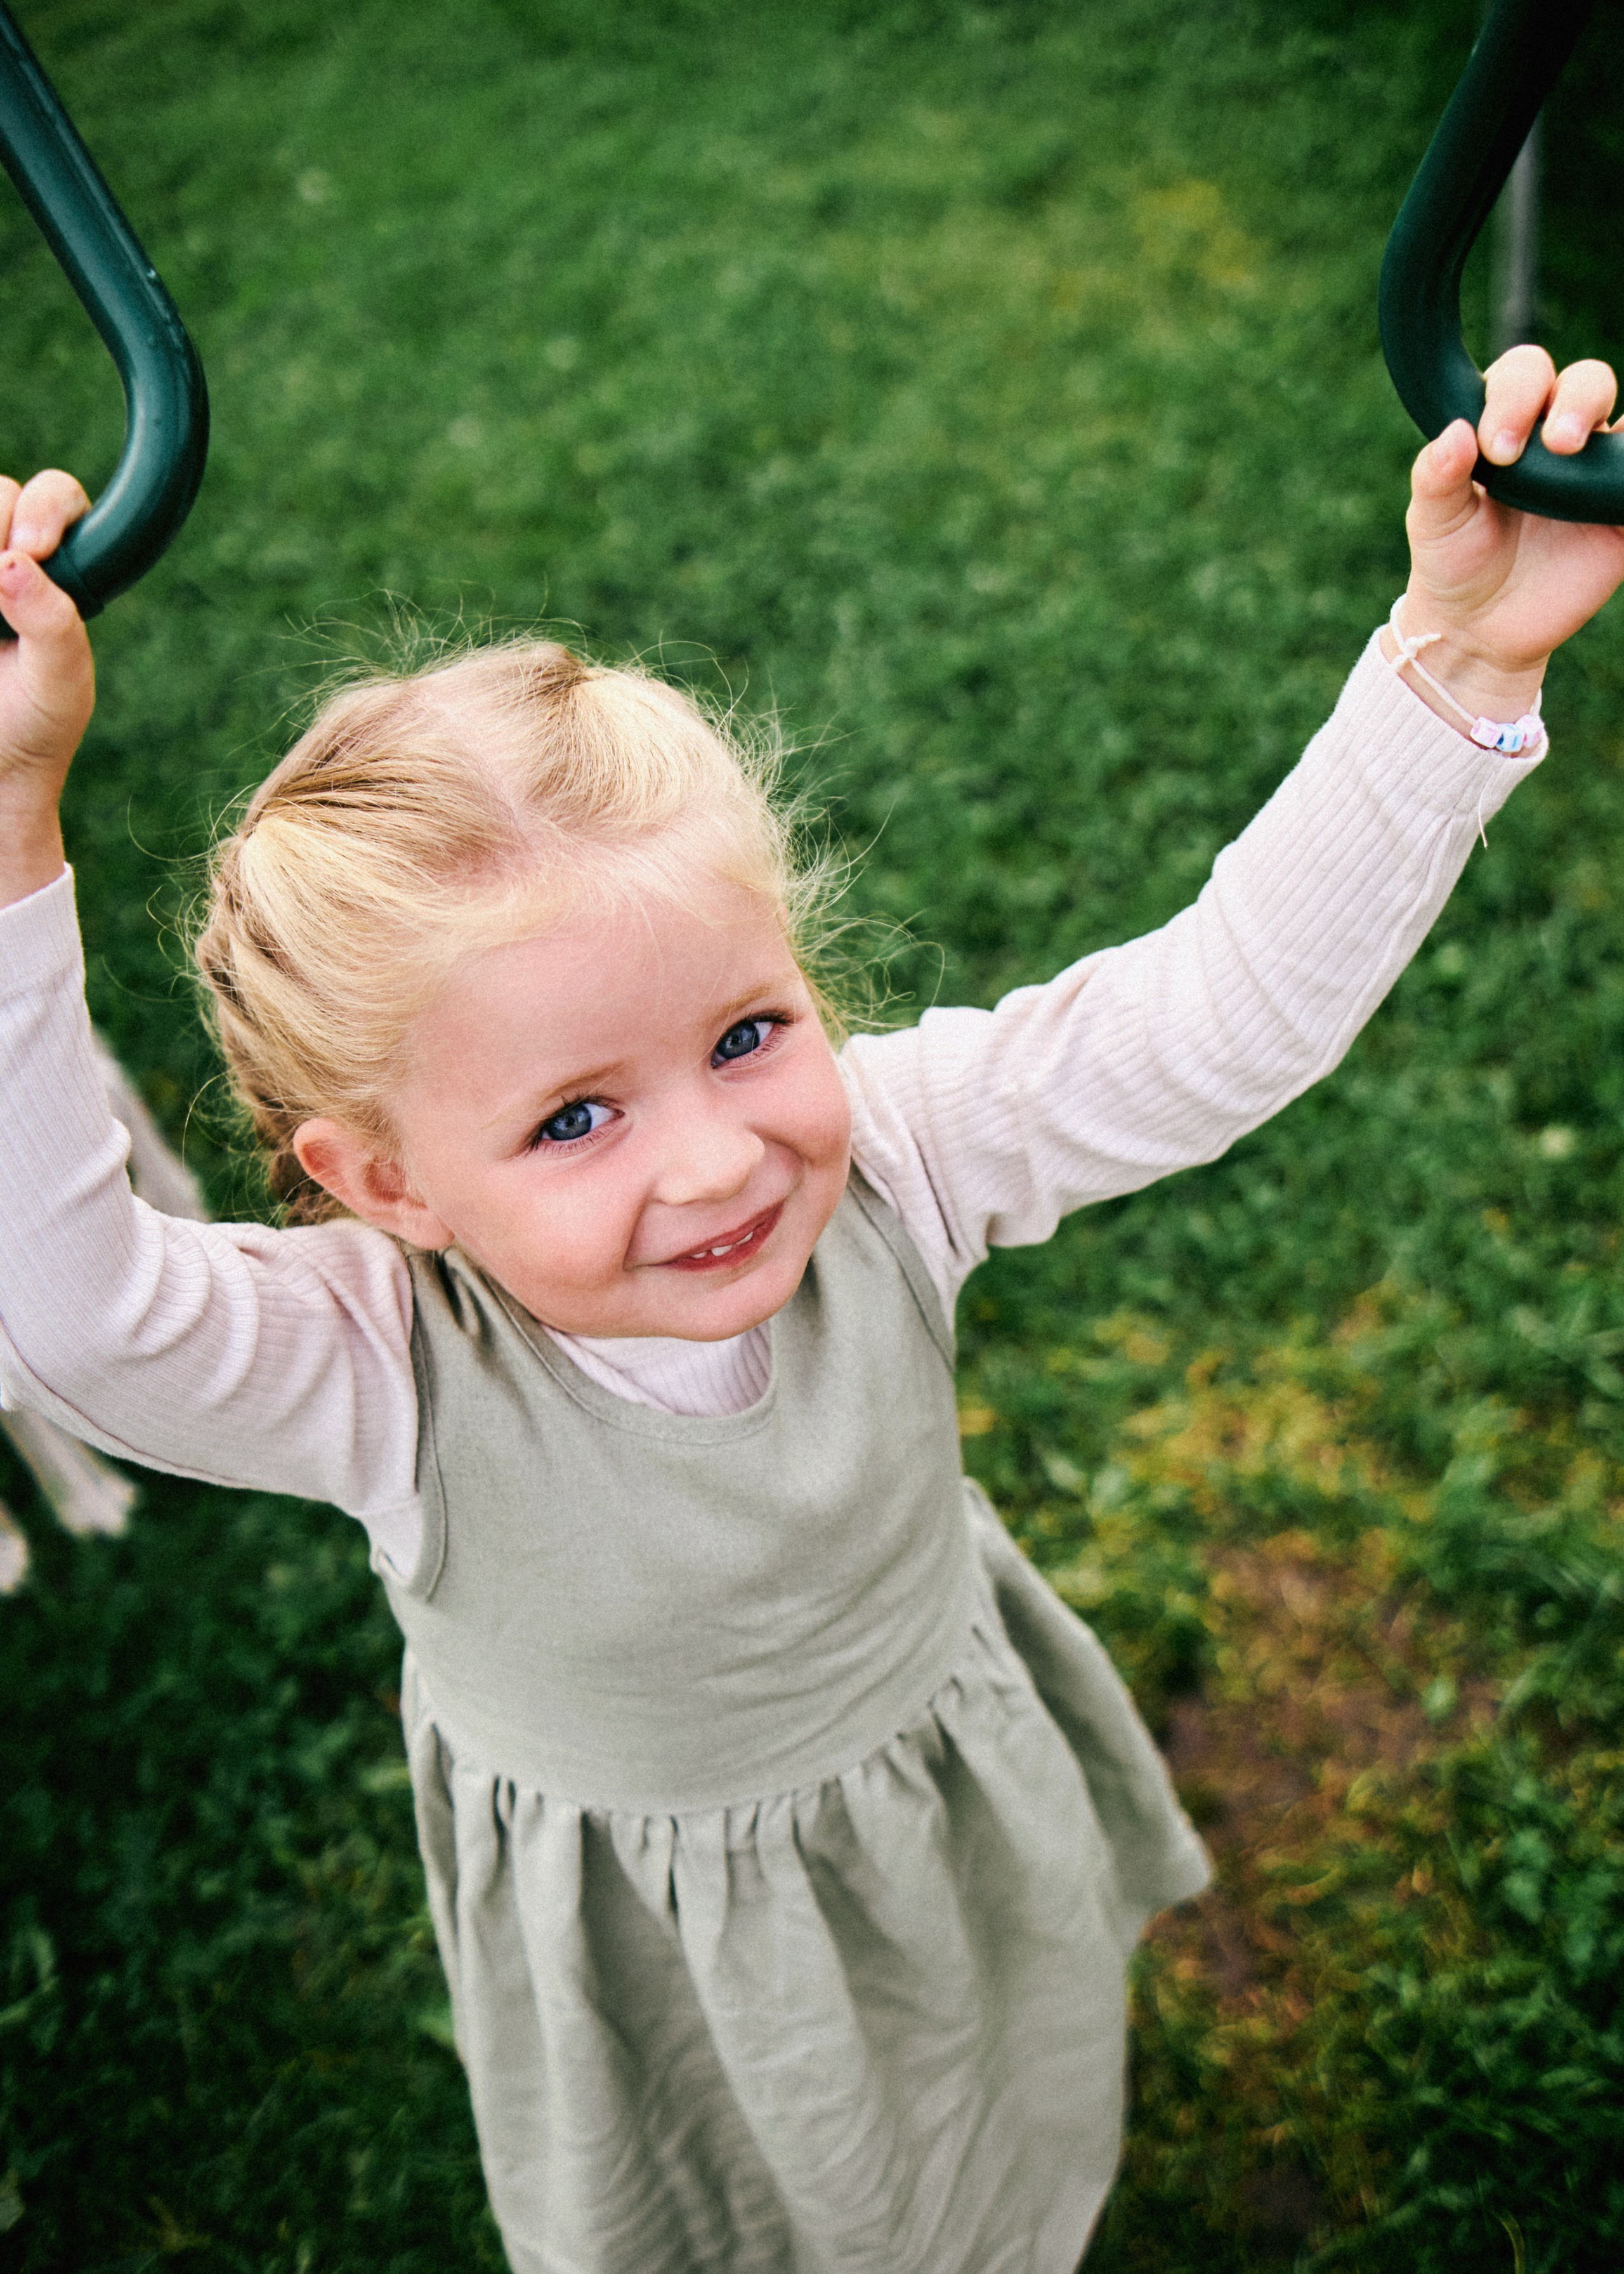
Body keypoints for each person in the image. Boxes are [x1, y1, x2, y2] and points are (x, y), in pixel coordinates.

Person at [0, 347, 1621, 2273]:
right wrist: (10, 823)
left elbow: (1219, 1015)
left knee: (982, 2130)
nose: (715, 1162)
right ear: (389, 1184)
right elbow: (77, 1321)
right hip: (657, 1934)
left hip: (932, 1783)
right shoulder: (388, 1368)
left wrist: (1459, 661)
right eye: (575, 1118)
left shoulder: (894, 1163)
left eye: (747, 1034)